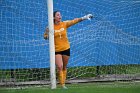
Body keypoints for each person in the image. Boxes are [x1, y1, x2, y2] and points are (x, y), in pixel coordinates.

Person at [44, 11, 93, 89]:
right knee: (60, 66)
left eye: (60, 15)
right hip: (56, 50)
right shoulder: (50, 26)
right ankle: (62, 85)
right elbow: (45, 37)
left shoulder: (64, 24)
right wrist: (47, 32)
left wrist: (85, 17)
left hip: (66, 48)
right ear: (53, 17)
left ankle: (63, 82)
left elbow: (74, 21)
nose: (60, 16)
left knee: (64, 67)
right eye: (57, 15)